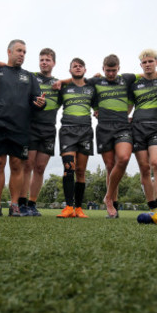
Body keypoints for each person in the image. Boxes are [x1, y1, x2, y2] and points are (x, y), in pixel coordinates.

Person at [0, 39, 46, 217]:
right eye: (19, 51)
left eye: (24, 52)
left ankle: (15, 205)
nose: (22, 54)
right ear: (9, 52)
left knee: (17, 165)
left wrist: (40, 103)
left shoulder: (30, 77)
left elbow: (36, 102)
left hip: (20, 128)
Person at [89, 54, 136, 218]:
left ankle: (108, 198)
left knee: (123, 158)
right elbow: (79, 84)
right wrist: (95, 109)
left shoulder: (127, 79)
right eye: (108, 71)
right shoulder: (95, 82)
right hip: (103, 127)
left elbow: (147, 75)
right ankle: (113, 207)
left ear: (119, 69)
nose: (110, 74)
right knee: (110, 166)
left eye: (114, 71)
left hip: (123, 125)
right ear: (103, 69)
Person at [129, 49, 157, 216]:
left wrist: (156, 116)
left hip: (156, 127)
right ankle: (152, 206)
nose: (148, 64)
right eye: (144, 62)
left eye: (150, 61)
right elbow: (129, 107)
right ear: (141, 65)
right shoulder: (134, 84)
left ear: (156, 63)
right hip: (137, 128)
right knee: (144, 168)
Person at [56, 58, 96, 218]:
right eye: (74, 66)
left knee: (80, 171)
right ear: (70, 70)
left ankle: (79, 208)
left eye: (80, 66)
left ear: (85, 70)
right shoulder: (63, 88)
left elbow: (99, 105)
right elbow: (52, 106)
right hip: (67, 131)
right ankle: (68, 207)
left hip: (85, 131)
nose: (77, 68)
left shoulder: (92, 88)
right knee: (69, 167)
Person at [23, 48, 61, 216]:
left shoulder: (58, 83)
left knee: (40, 168)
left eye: (47, 59)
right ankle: (21, 203)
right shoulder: (31, 77)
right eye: (42, 59)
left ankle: (32, 203)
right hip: (31, 126)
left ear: (53, 63)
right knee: (28, 165)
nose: (44, 62)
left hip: (49, 128)